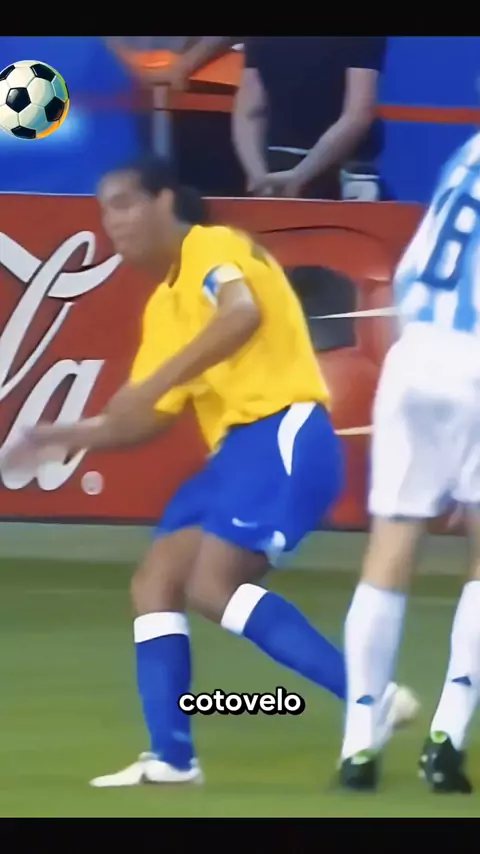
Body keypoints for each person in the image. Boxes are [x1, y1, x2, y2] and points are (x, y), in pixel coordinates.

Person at [3, 156, 418, 787]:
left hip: (281, 431)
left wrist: (156, 383)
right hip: (235, 456)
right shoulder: (164, 307)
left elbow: (240, 314)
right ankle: (173, 758)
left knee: (212, 584)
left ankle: (369, 697)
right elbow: (144, 417)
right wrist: (60, 436)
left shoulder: (213, 246)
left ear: (166, 201)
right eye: (105, 209)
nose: (113, 222)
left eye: (124, 203)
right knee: (156, 583)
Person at [339, 131, 480, 794]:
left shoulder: (468, 152)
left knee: (389, 550)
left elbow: (410, 270)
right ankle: (448, 735)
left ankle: (358, 746)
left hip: (414, 351)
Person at [232, 37, 386, 200]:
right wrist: (298, 175)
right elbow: (357, 114)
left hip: (280, 164)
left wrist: (258, 176)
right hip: (344, 168)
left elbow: (251, 111)